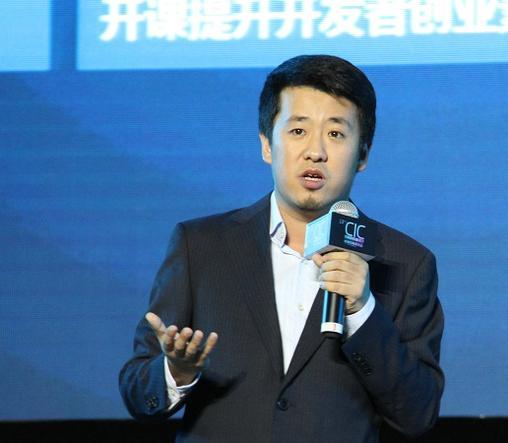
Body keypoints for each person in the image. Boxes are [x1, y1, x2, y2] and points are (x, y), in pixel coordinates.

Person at [119, 55, 444, 442]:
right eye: (298, 130)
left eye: (336, 134)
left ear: (363, 154)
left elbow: (418, 414)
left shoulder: (406, 264)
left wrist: (362, 312)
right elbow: (139, 394)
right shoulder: (200, 245)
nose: (315, 151)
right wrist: (177, 372)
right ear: (267, 145)